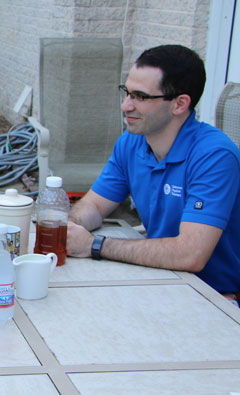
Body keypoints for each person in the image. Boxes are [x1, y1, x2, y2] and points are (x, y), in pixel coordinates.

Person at [66, 45, 240, 301]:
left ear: (179, 104)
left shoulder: (214, 156)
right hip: (160, 278)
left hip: (214, 296)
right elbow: (93, 204)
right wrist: (70, 227)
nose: (126, 106)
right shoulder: (131, 142)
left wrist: (94, 245)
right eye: (126, 92)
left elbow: (190, 254)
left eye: (141, 97)